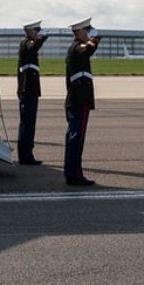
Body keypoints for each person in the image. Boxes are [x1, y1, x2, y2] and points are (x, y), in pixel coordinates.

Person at [64, 18, 100, 185]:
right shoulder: (77, 48)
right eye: (87, 30)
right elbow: (89, 50)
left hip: (76, 100)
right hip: (79, 100)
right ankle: (75, 174)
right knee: (76, 139)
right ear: (79, 32)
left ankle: (71, 172)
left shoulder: (77, 48)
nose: (89, 33)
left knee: (74, 137)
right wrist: (96, 37)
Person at [15, 20, 47, 165]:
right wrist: (42, 38)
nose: (38, 32)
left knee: (29, 123)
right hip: (27, 89)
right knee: (27, 123)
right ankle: (25, 155)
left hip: (30, 89)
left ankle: (27, 154)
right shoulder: (26, 44)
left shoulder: (28, 44)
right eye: (37, 30)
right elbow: (34, 46)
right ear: (30, 31)